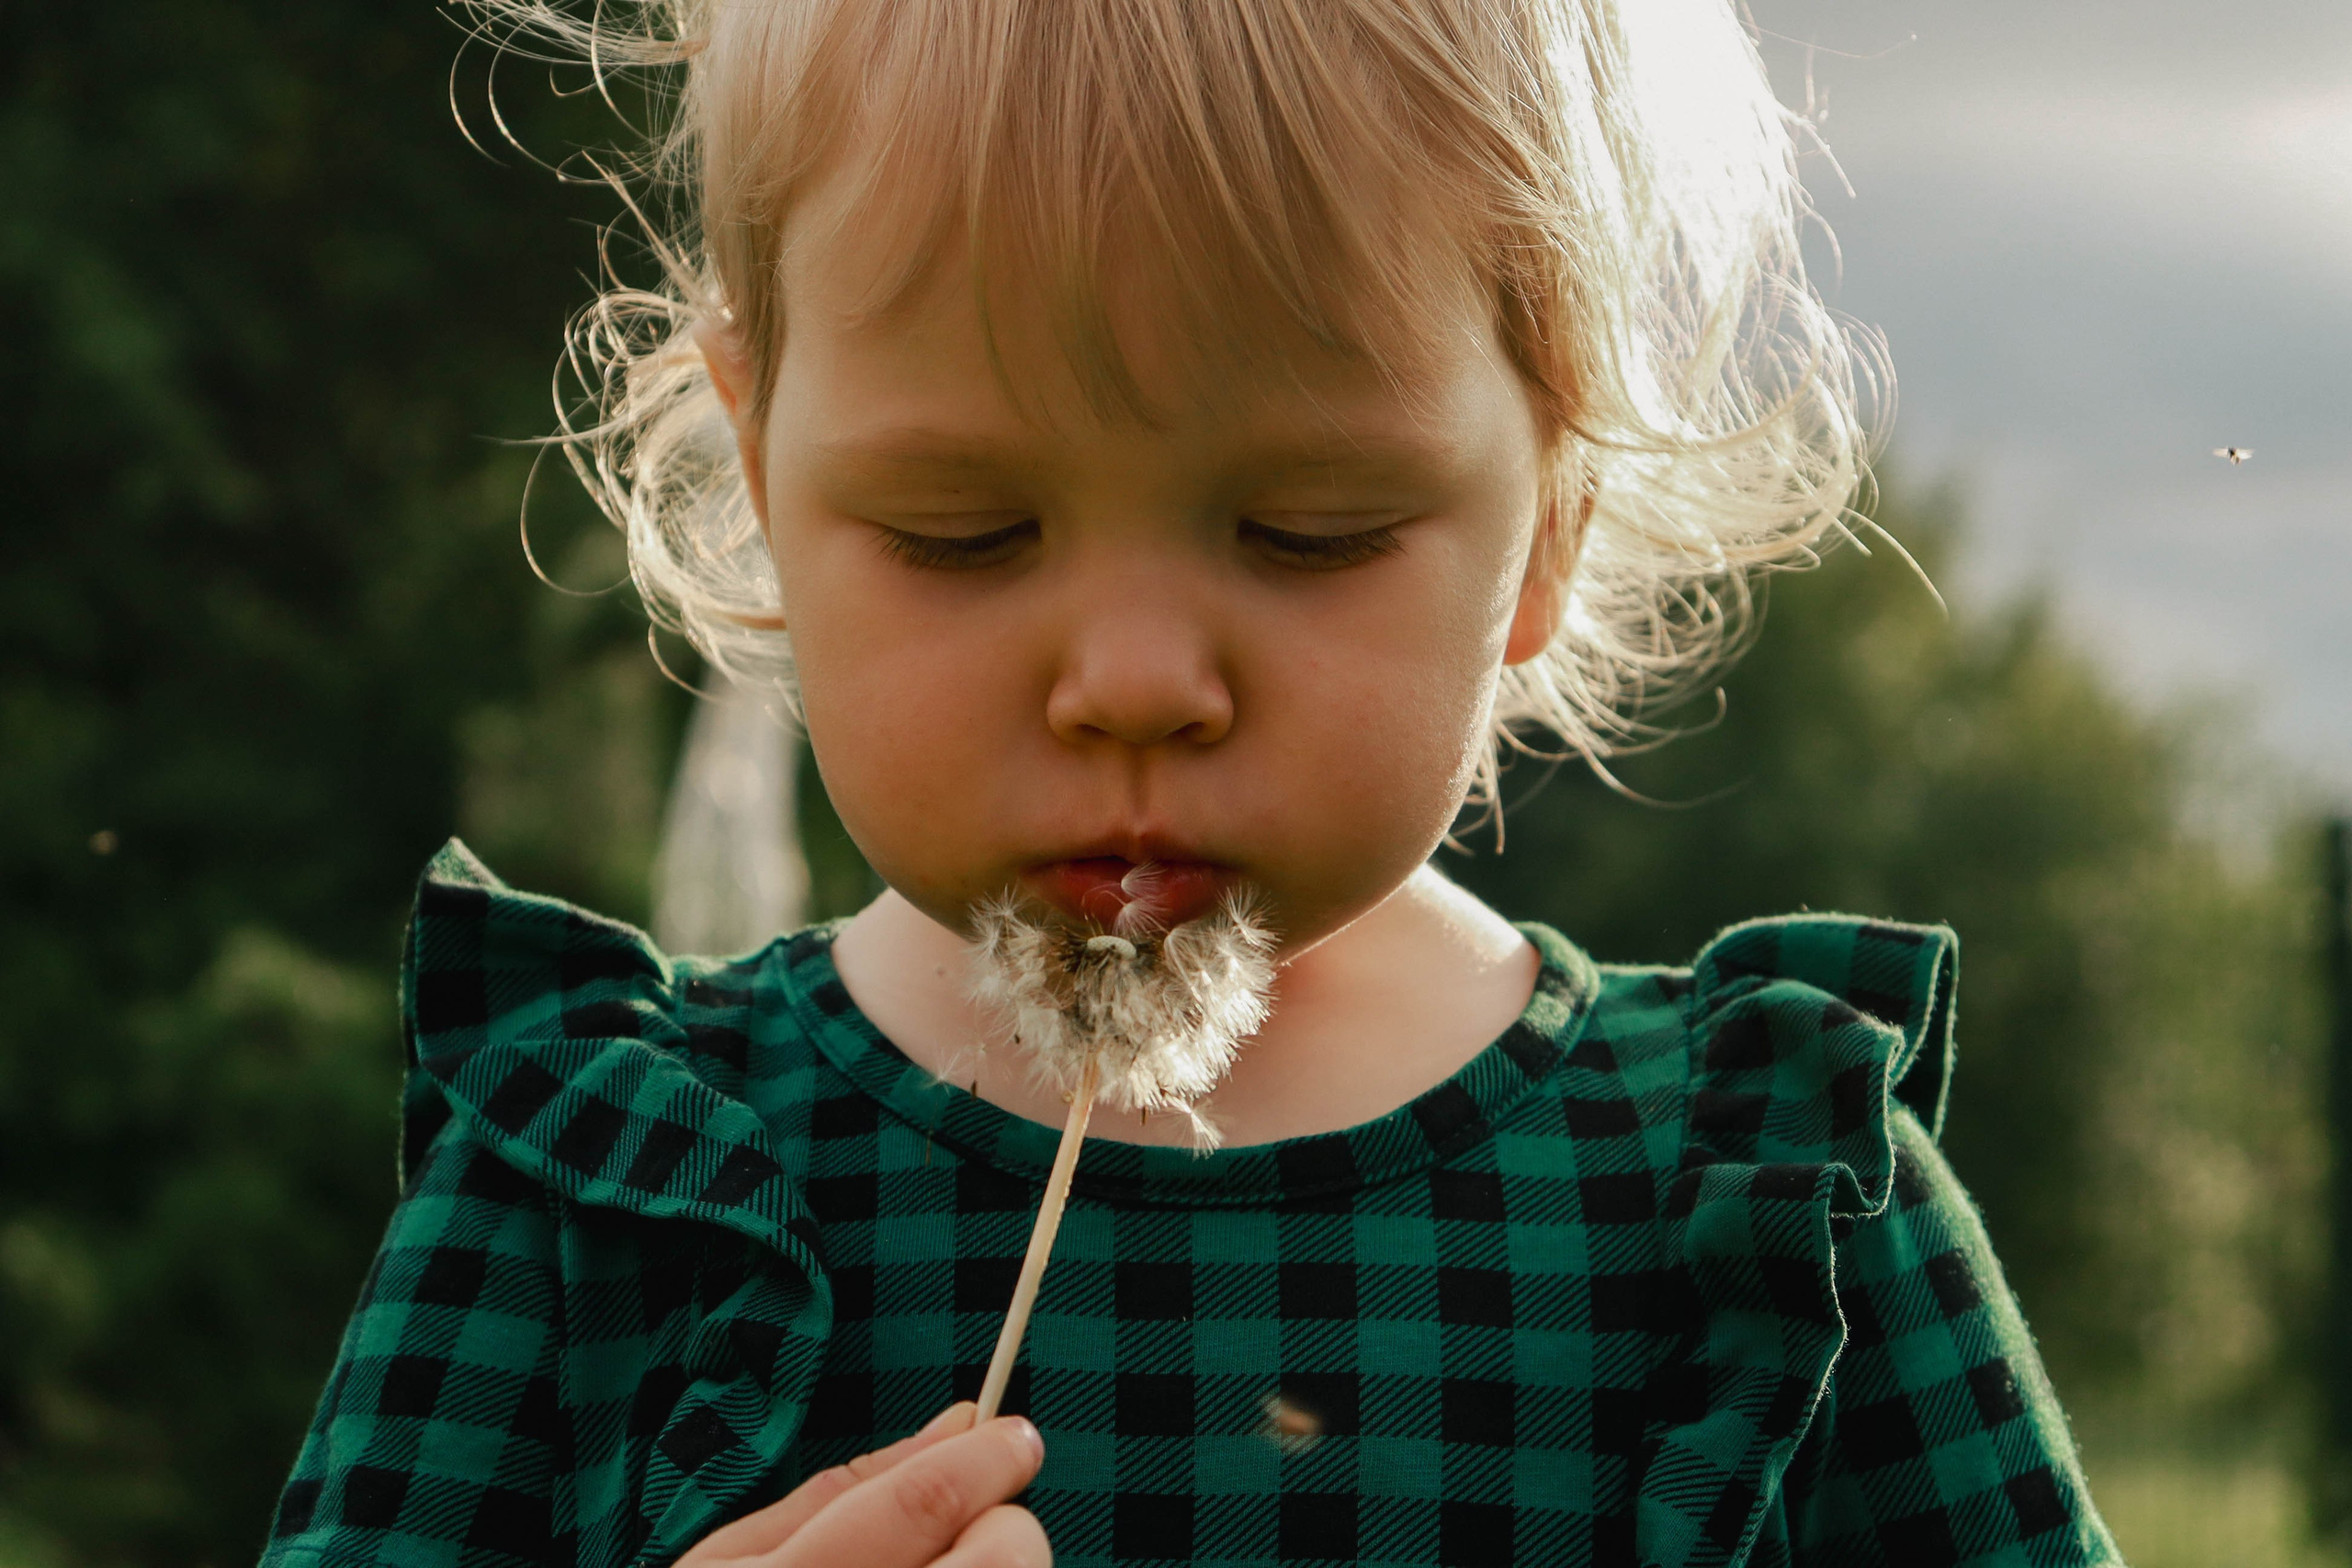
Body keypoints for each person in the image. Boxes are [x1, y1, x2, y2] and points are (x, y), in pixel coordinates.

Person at [262, 1, 2123, 1563]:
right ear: (760, 472)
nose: (1135, 681)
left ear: (1544, 513)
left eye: (1309, 530)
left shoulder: (1762, 1226)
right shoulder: (600, 1203)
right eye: (963, 529)